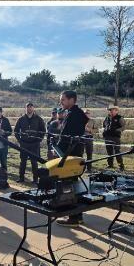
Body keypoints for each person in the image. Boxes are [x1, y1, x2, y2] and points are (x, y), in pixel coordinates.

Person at [56, 91, 89, 226]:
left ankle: (74, 217)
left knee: (70, 185)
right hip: (73, 153)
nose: (61, 102)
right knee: (73, 184)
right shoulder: (74, 113)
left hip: (70, 154)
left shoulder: (74, 115)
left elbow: (66, 137)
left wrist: (56, 150)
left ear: (71, 100)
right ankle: (76, 215)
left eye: (63, 100)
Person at [14, 103, 46, 183]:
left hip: (34, 144)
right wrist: (20, 140)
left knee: (34, 162)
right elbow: (16, 131)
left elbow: (43, 131)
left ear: (33, 108)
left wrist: (39, 140)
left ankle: (35, 179)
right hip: (24, 144)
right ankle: (21, 178)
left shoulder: (38, 119)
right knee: (23, 161)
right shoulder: (21, 119)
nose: (29, 109)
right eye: (28, 107)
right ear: (26, 108)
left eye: (31, 107)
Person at [102, 106, 125, 170]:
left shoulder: (120, 118)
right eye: (110, 110)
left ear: (116, 111)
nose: (111, 111)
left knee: (117, 152)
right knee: (109, 152)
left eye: (112, 110)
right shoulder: (107, 118)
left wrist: (116, 130)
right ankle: (110, 164)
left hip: (115, 137)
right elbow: (104, 125)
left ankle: (121, 165)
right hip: (107, 137)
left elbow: (123, 127)